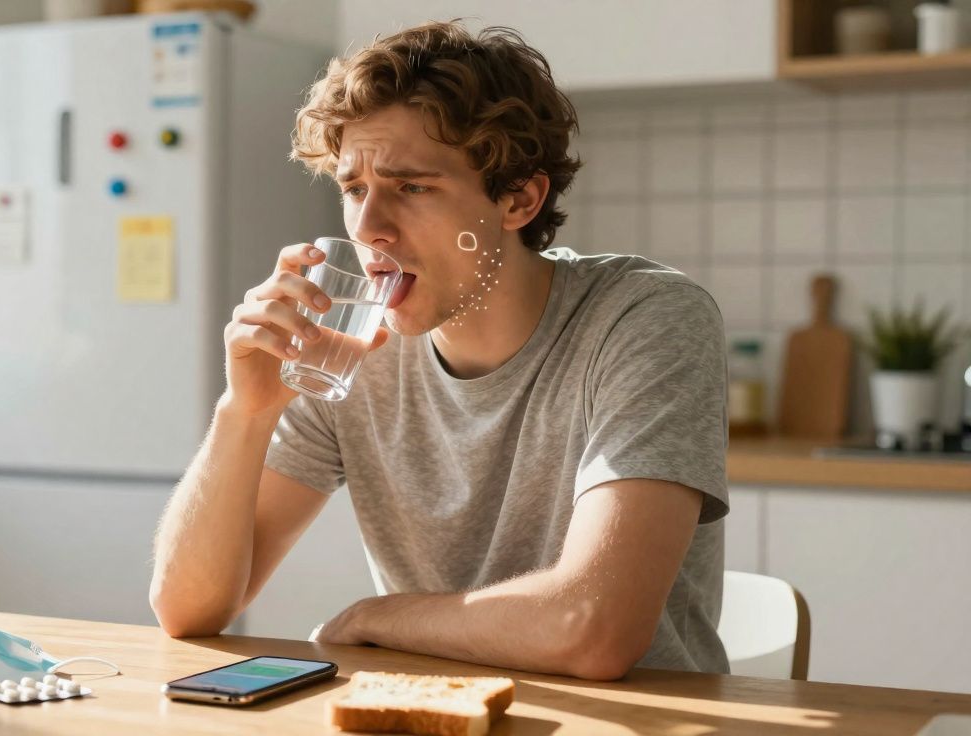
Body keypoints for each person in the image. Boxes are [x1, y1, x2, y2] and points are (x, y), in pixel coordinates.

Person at [149, 20, 729, 680]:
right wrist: (244, 411)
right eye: (354, 188)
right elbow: (185, 609)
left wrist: (376, 618)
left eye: (412, 187)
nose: (368, 228)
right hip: (438, 714)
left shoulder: (642, 318)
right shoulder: (353, 348)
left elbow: (591, 628)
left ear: (519, 198)